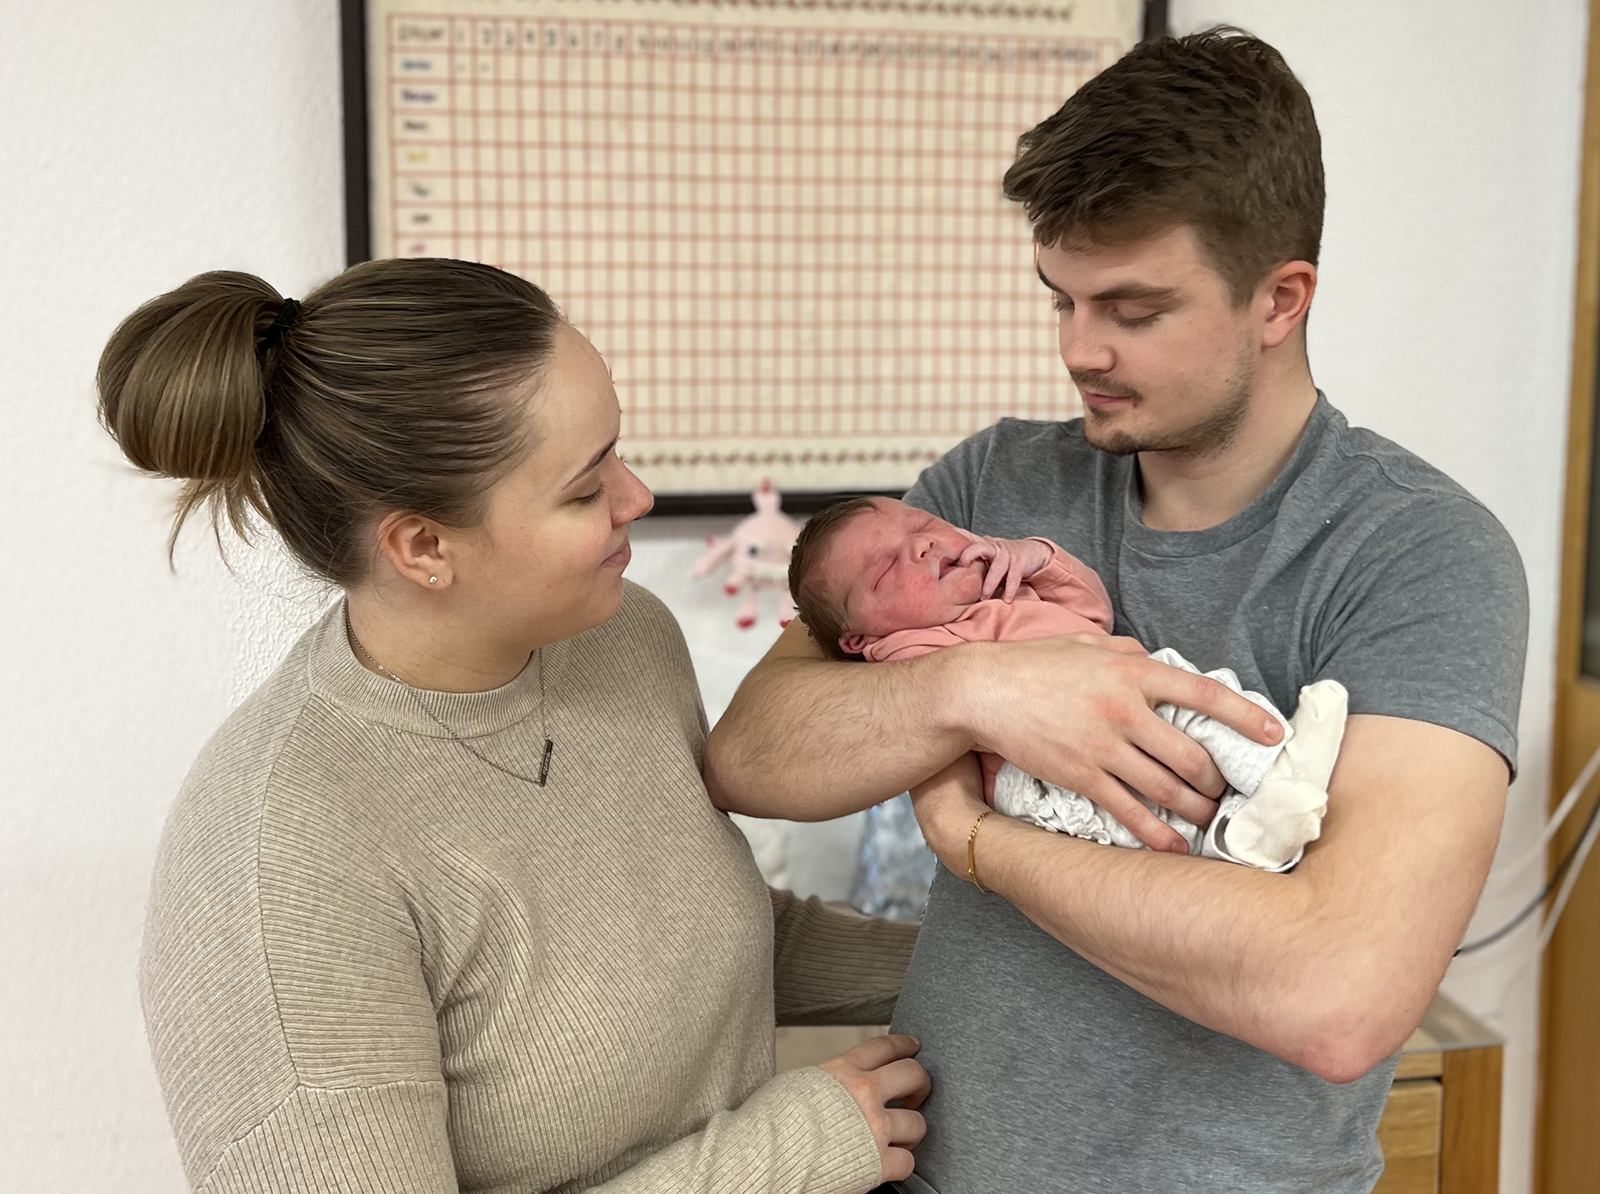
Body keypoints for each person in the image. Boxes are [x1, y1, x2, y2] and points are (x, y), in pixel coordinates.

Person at [705, 28, 1526, 1194]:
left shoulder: (1419, 554)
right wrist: (984, 687)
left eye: (1132, 311)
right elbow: (752, 753)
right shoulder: (988, 487)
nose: (1078, 349)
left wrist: (978, 843)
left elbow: (1338, 996)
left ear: (1278, 299)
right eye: (1061, 300)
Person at [101, 259, 931, 1193]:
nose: (638, 498)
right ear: (423, 548)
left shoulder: (622, 641)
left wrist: (1002, 951)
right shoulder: (279, 863)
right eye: (585, 491)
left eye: (617, 450)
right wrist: (791, 1151)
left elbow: (703, 937)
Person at [785, 496, 1347, 871]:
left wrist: (1035, 558)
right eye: (886, 571)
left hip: (1107, 721)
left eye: (926, 526)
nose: (923, 547)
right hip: (1040, 780)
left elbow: (1093, 612)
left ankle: (1245, 834)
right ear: (860, 640)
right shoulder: (906, 651)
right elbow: (938, 705)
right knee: (1181, 708)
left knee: (1186, 705)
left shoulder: (1005, 589)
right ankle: (1277, 773)